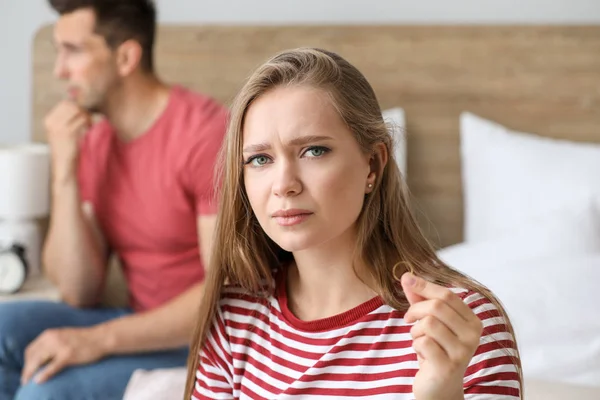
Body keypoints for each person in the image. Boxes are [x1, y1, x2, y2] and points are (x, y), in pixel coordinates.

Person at [184, 48, 523, 400]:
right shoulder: (233, 318)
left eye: (314, 150)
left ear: (373, 165)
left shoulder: (457, 326)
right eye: (259, 159)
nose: (284, 183)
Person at [0, 1, 228, 399]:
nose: (60, 70)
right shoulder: (98, 141)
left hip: (202, 341)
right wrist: (65, 171)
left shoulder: (206, 135)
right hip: (134, 321)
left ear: (125, 57)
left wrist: (96, 341)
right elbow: (78, 290)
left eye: (73, 51)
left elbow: (224, 295)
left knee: (43, 391)